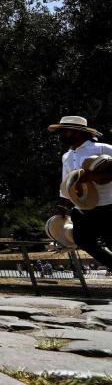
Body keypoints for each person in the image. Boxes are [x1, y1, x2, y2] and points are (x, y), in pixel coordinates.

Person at [48, 115, 112, 270]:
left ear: (77, 132)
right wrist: (64, 203)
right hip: (83, 207)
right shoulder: (67, 156)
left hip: (108, 205)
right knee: (82, 240)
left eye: (64, 131)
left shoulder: (104, 148)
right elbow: (67, 183)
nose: (61, 135)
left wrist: (94, 176)